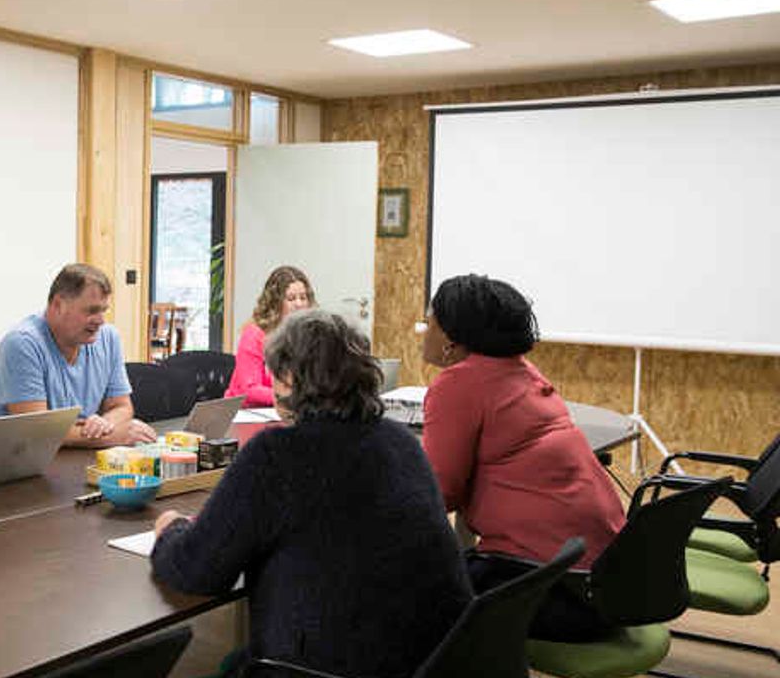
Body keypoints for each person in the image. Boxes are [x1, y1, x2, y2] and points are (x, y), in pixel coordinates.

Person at [151, 309, 471, 677]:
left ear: (288, 379)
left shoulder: (277, 455)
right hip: (432, 660)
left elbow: (198, 570)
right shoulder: (401, 442)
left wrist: (170, 530)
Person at [421, 273, 625, 641]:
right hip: (611, 583)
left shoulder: (457, 384)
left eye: (429, 320)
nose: (423, 329)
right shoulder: (522, 371)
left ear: (451, 338)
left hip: (556, 590)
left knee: (407, 593)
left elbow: (440, 493)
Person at [0, 263, 157, 448]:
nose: (100, 321)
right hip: (10, 463)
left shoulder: (109, 338)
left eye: (103, 310)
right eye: (92, 311)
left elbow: (122, 407)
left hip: (68, 455)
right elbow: (36, 431)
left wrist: (104, 424)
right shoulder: (22, 344)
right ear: (58, 305)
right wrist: (111, 436)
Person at [225, 266, 315, 407]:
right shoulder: (254, 334)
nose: (299, 304)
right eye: (291, 299)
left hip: (287, 409)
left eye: (303, 298)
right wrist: (293, 398)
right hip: (246, 412)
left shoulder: (309, 335)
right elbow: (250, 390)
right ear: (276, 303)